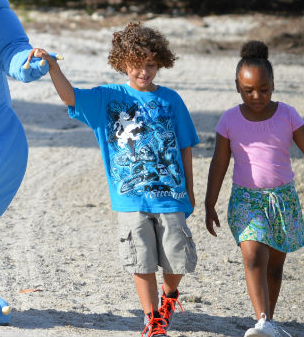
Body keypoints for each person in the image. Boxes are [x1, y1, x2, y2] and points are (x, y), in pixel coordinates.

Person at [31, 21, 198, 337]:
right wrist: (52, 66)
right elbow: (71, 97)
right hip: (130, 198)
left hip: (171, 196)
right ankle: (154, 321)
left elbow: (186, 147)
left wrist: (190, 190)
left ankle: (170, 296)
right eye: (137, 65)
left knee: (177, 261)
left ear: (160, 62)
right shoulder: (108, 98)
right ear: (122, 63)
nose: (144, 72)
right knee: (142, 259)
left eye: (151, 65)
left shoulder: (171, 100)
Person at [205, 41, 304, 337]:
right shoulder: (229, 120)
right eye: (248, 90)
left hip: (283, 200)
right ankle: (262, 321)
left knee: (274, 267)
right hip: (246, 200)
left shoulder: (287, 115)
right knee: (254, 256)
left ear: (273, 84)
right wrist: (209, 202)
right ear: (237, 87)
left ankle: (268, 321)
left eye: (264, 89)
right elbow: (219, 164)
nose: (257, 96)